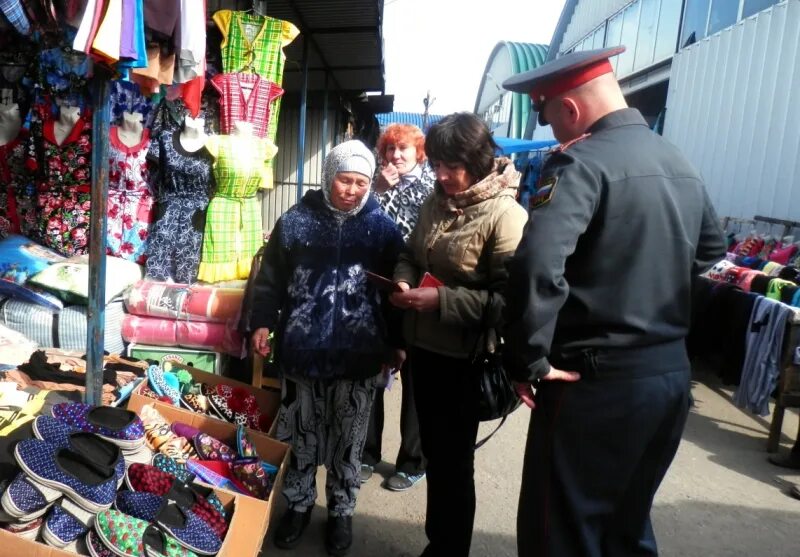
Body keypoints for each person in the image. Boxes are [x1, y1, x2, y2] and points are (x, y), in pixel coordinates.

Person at [501, 46, 727, 556]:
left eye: (551, 119)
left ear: (570, 109)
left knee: (558, 533)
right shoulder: (678, 160)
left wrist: (527, 358)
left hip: (594, 383)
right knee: (626, 527)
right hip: (667, 378)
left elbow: (537, 264)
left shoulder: (580, 163)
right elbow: (713, 250)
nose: (555, 133)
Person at [249, 140, 405, 556]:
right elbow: (270, 280)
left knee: (348, 442)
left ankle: (341, 511)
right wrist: (262, 321)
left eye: (361, 182)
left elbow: (397, 295)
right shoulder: (296, 222)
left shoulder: (384, 230)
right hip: (302, 351)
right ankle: (298, 506)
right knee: (301, 437)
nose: (352, 190)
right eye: (344, 180)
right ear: (328, 176)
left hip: (359, 355)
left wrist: (397, 343)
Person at [389, 112, 528, 557]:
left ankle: (449, 550)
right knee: (434, 455)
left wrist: (442, 301)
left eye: (454, 166)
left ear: (481, 160)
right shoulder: (436, 200)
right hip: (423, 350)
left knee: (453, 465)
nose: (444, 175)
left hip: (464, 362)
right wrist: (406, 282)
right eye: (438, 166)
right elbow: (411, 253)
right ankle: (439, 544)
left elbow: (510, 303)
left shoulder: (505, 215)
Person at [361, 123, 434, 491]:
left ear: (418, 151)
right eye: (390, 150)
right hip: (377, 288)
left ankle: (412, 461)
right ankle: (367, 452)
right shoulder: (374, 184)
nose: (395, 156)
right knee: (373, 371)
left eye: (403, 149)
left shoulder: (433, 187)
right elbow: (359, 223)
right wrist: (376, 190)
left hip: (418, 290)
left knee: (416, 379)